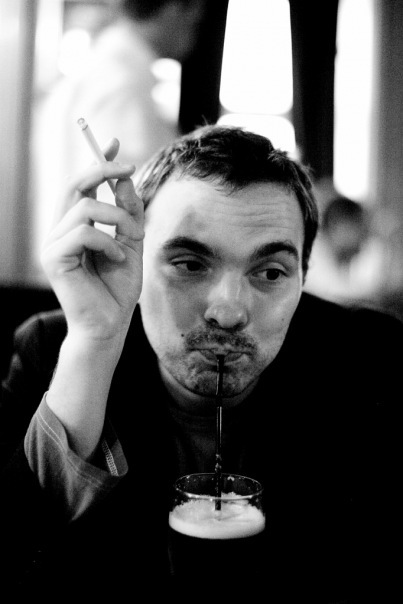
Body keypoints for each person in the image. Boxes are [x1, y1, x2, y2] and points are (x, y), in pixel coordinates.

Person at [1, 125, 401, 601]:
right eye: (190, 264)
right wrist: (94, 343)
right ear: (135, 260)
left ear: (303, 279)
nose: (228, 312)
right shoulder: (56, 351)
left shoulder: (369, 360)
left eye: (271, 272)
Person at [31, 0, 207, 266]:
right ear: (173, 9)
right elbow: (133, 197)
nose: (196, 34)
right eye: (195, 20)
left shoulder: (102, 68)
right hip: (107, 266)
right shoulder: (122, 83)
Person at [304, 194, 384, 305]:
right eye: (361, 230)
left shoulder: (343, 261)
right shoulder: (309, 259)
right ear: (338, 225)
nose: (364, 240)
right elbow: (331, 300)